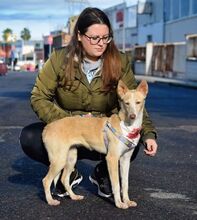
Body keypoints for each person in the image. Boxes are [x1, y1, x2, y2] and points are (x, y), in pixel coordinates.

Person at [19, 7, 158, 199]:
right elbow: (38, 96)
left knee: (132, 138)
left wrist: (148, 134)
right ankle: (69, 173)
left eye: (106, 37)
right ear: (79, 35)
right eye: (94, 38)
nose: (101, 44)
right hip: (69, 129)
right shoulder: (59, 59)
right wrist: (70, 121)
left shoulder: (120, 61)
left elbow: (134, 102)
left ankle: (102, 173)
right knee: (30, 136)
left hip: (103, 133)